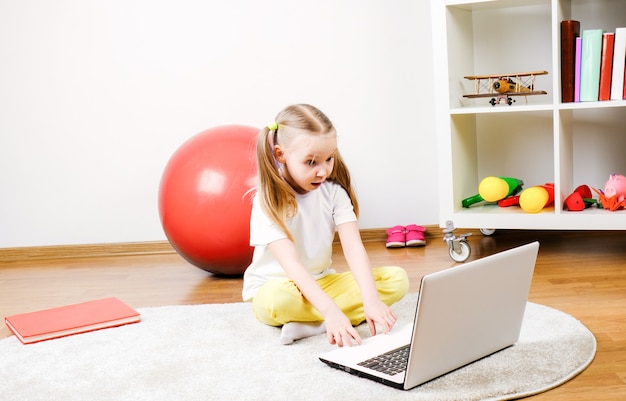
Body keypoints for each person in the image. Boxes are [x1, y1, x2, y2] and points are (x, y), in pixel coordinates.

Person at [242, 103, 409, 347]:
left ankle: (312, 324)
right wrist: (330, 310)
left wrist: (371, 299)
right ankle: (332, 317)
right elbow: (292, 264)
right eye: (311, 162)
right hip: (278, 286)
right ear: (281, 155)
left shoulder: (334, 193)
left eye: (329, 159)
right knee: (277, 301)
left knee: (397, 279)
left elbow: (353, 249)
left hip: (322, 281)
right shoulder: (268, 200)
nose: (323, 171)